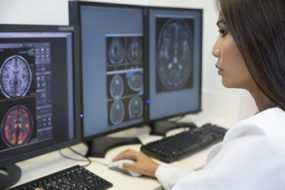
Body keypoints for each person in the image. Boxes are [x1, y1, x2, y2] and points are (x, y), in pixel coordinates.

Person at [113, 0, 285, 189]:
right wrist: (158, 170)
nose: (215, 49)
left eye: (223, 32)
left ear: (261, 40)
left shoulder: (262, 140)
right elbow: (215, 181)